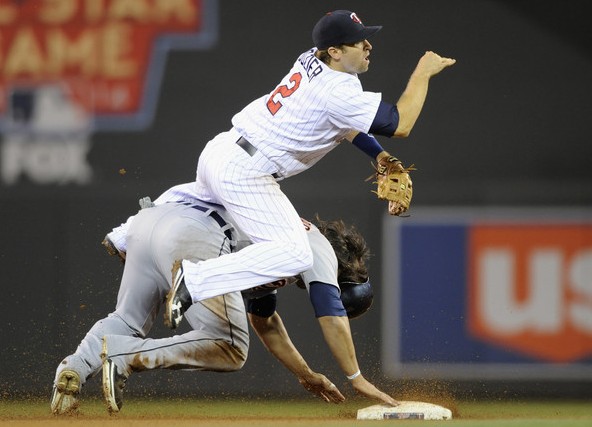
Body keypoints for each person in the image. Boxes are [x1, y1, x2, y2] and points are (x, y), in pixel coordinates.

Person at [163, 10, 456, 329]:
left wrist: (381, 156)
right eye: (359, 42)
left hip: (223, 150)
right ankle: (195, 280)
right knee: (294, 255)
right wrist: (423, 73)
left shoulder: (314, 59)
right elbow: (401, 123)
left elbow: (345, 124)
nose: (369, 46)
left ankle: (127, 234)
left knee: (194, 206)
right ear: (335, 51)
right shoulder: (336, 91)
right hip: (246, 172)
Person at [50, 183, 396, 414]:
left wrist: (305, 374)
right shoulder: (318, 247)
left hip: (151, 223)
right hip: (198, 232)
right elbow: (330, 311)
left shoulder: (284, 248)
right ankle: (124, 356)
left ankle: (75, 369)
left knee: (127, 320)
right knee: (229, 345)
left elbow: (266, 321)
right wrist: (357, 378)